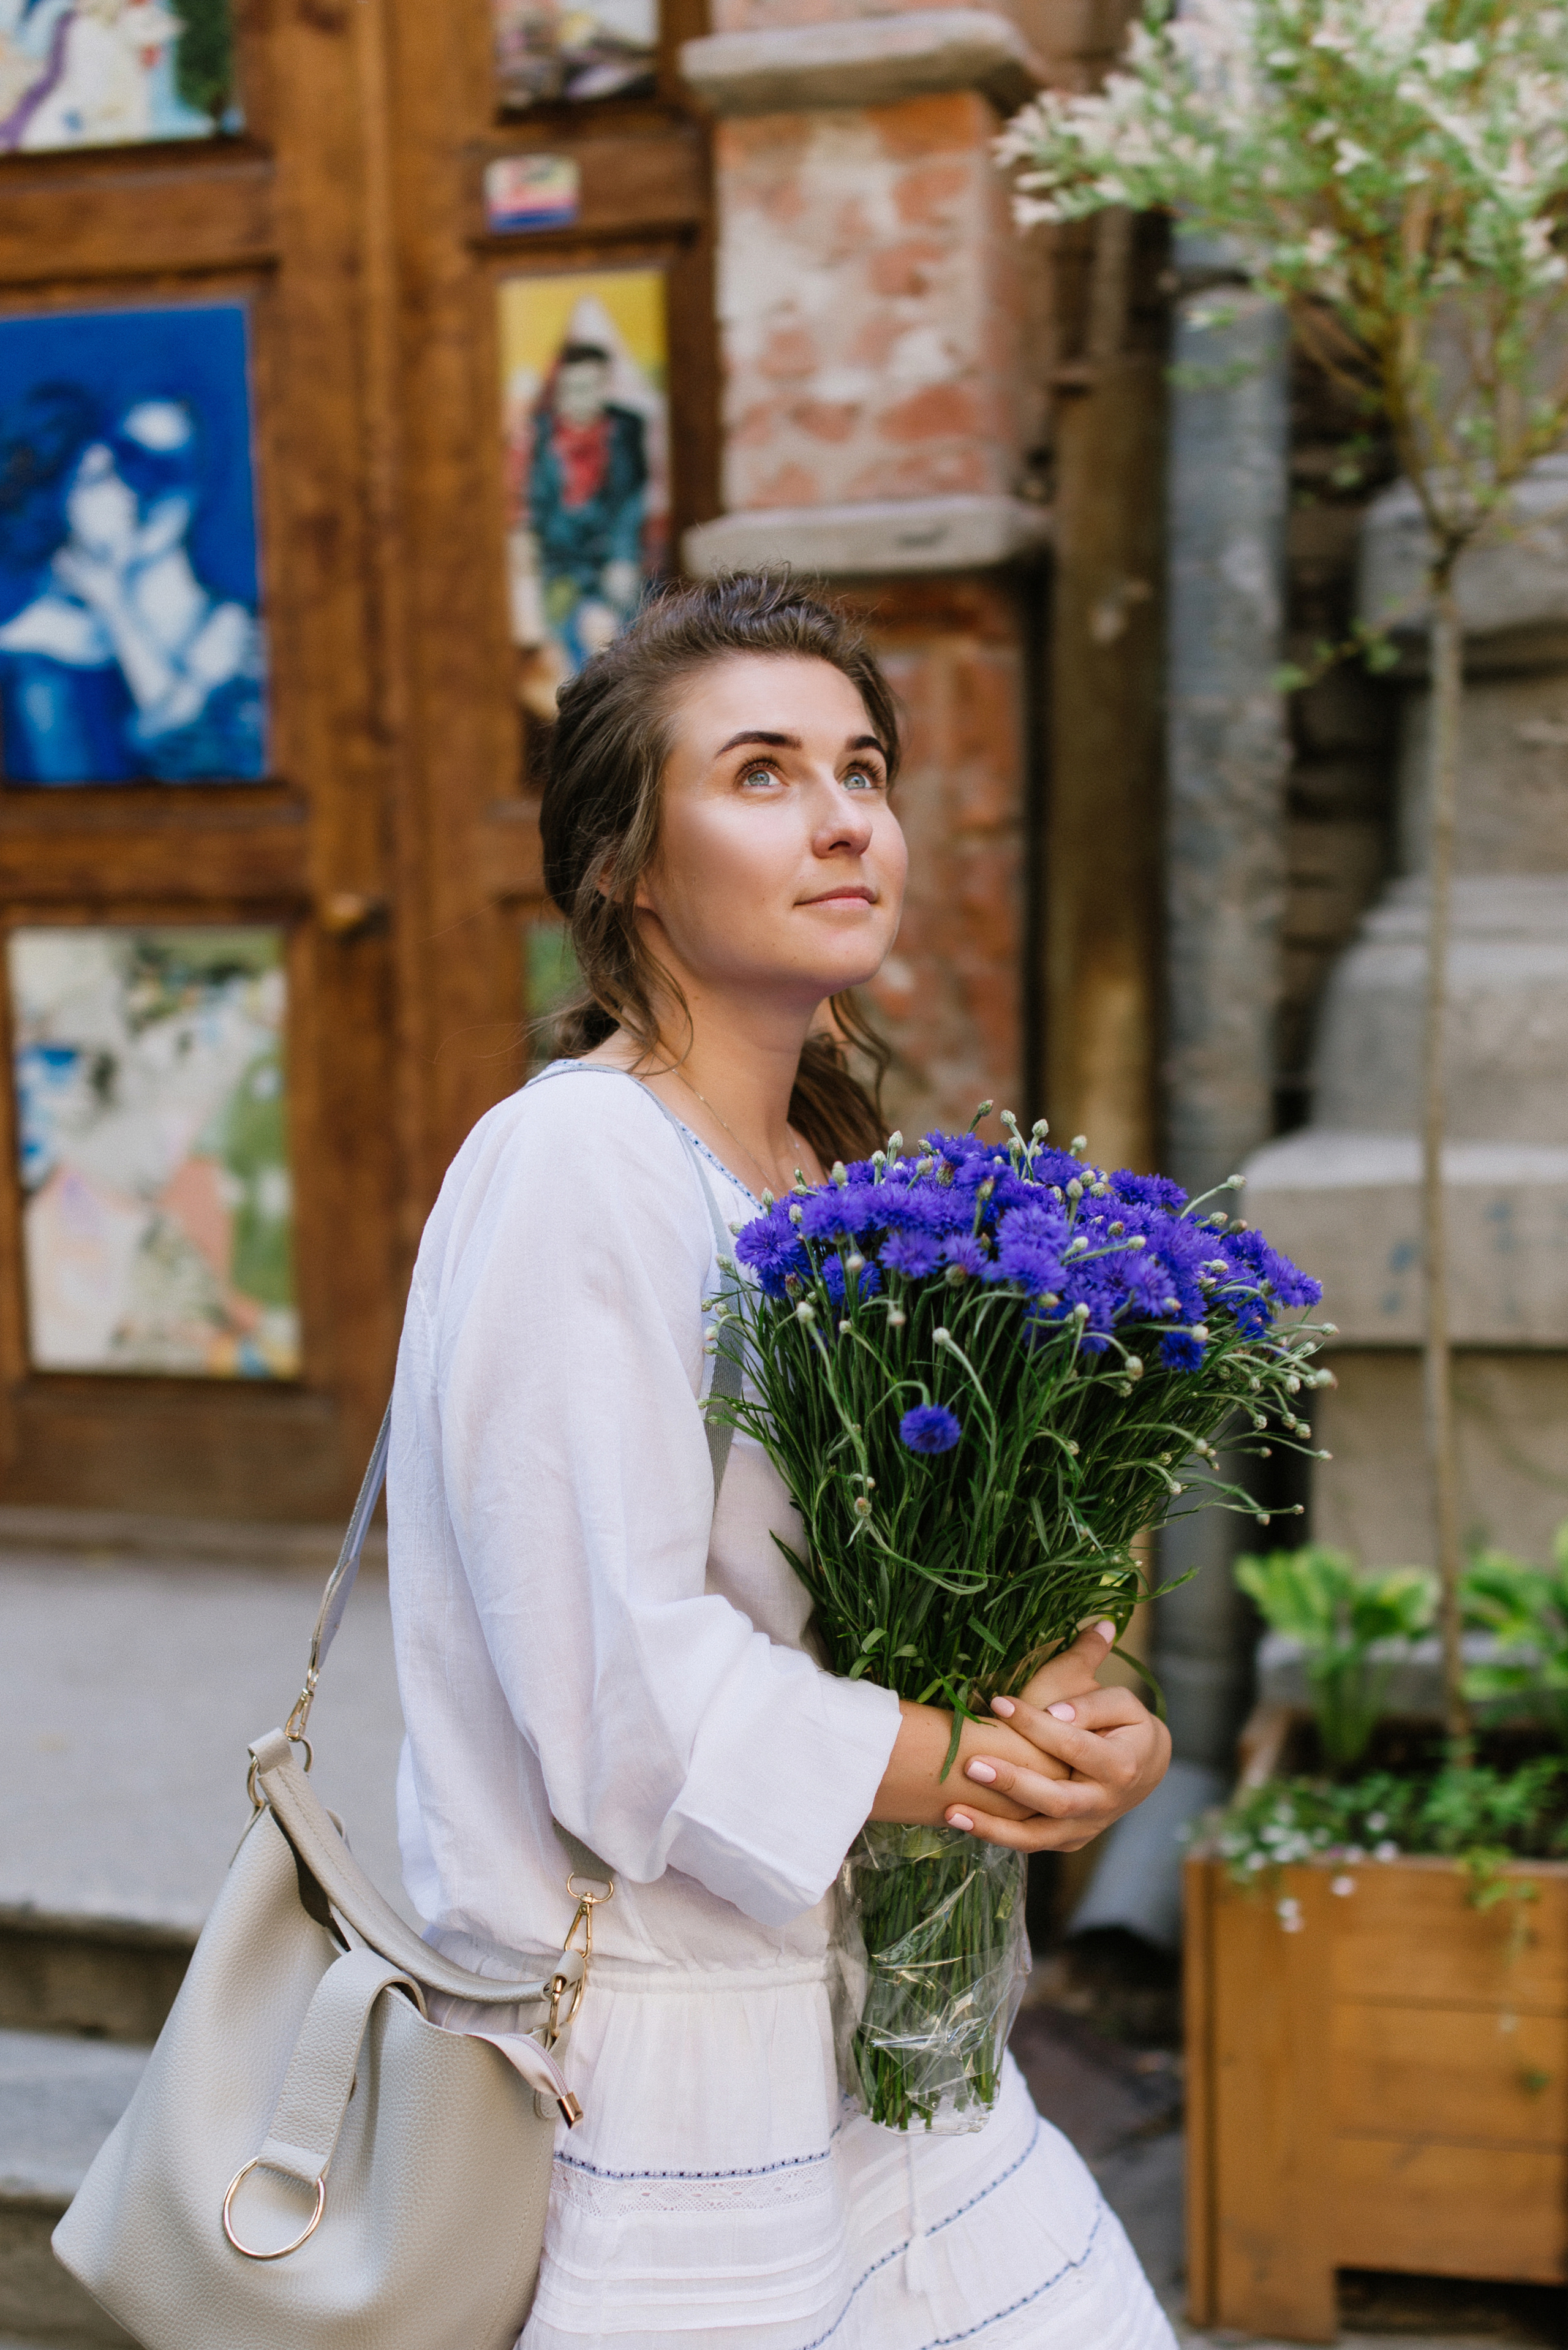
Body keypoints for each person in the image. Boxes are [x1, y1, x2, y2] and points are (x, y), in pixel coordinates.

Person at [387, 573, 1178, 2350]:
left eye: (864, 768)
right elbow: (620, 1696)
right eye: (761, 772)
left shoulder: (845, 1185)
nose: (842, 818)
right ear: (629, 867)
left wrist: (1079, 1706)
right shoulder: (579, 1164)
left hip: (905, 2030)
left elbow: (953, 1580)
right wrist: (978, 1773)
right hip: (672, 2073)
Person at [0, 383, 264, 783]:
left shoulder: (239, 634)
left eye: (168, 468)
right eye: (128, 461)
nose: (141, 491)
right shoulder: (43, 656)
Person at [528, 338, 648, 674]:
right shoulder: (539, 435)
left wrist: (623, 558)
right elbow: (536, 511)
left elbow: (632, 498)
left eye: (591, 387)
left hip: (614, 560)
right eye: (572, 389)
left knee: (622, 649)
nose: (582, 399)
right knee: (569, 655)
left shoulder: (626, 429)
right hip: (560, 565)